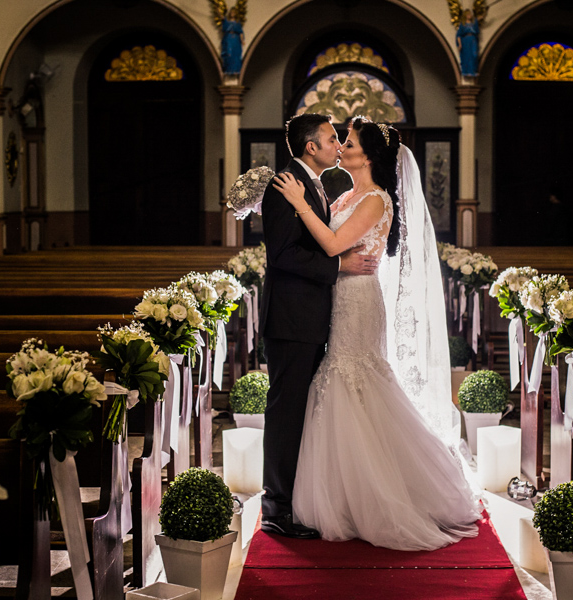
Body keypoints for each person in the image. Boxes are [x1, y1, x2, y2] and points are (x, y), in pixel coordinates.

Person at [272, 117, 481, 551]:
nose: (341, 146)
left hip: (359, 300)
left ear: (366, 157)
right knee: (339, 385)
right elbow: (326, 249)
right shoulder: (346, 193)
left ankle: (381, 493)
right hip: (337, 297)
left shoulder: (375, 199)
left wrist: (300, 203)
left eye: (347, 141)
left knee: (358, 380)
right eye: (338, 139)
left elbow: (332, 245)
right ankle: (343, 490)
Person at [258, 113, 378, 540]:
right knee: (287, 411)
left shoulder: (314, 186)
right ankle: (277, 508)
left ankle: (300, 499)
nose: (338, 144)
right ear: (311, 147)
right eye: (332, 138)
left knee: (302, 411)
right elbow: (283, 256)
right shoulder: (285, 186)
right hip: (290, 319)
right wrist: (339, 264)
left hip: (310, 317)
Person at [456, 9, 479, 77]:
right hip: (465, 40)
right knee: (467, 56)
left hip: (473, 39)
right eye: (468, 14)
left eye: (470, 14)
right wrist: (460, 44)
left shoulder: (474, 23)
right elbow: (459, 35)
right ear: (465, 15)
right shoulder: (463, 24)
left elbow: (479, 18)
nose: (470, 15)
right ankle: (467, 71)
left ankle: (473, 71)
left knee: (474, 55)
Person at [221, 7, 244, 75]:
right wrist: (218, 10)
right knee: (228, 53)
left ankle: (235, 70)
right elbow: (222, 17)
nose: (232, 14)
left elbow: (240, 32)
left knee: (235, 54)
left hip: (236, 39)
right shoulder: (227, 21)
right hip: (228, 38)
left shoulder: (237, 23)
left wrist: (242, 40)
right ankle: (228, 70)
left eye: (233, 12)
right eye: (231, 12)